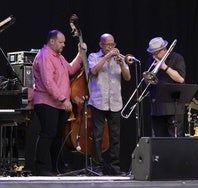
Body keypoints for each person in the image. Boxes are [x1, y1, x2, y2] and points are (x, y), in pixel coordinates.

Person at [32, 29, 87, 176]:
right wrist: (63, 99)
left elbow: (70, 70)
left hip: (58, 104)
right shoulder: (45, 56)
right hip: (46, 102)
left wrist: (80, 55)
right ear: (52, 41)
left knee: (57, 137)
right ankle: (41, 168)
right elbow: (48, 83)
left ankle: (56, 167)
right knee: (48, 134)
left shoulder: (58, 57)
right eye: (61, 42)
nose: (63, 45)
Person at [87, 33, 131, 175]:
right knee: (97, 136)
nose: (110, 47)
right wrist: (106, 57)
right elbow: (93, 71)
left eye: (113, 45)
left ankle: (115, 167)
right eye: (107, 45)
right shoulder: (93, 56)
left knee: (115, 137)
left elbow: (127, 77)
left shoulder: (120, 58)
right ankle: (97, 167)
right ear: (101, 44)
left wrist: (122, 64)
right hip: (98, 102)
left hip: (115, 102)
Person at [146, 37, 186, 137]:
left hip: (174, 107)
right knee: (159, 143)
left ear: (164, 49)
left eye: (156, 53)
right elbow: (148, 83)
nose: (154, 56)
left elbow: (181, 79)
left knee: (174, 143)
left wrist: (165, 67)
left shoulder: (177, 58)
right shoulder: (150, 60)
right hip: (157, 107)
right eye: (152, 53)